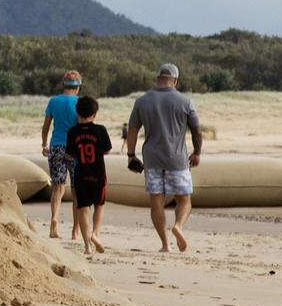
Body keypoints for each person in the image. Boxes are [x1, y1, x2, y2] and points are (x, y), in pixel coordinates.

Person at [125, 63, 203, 252]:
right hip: (177, 160)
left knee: (156, 202)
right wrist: (197, 152)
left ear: (158, 78)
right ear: (175, 80)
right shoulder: (185, 101)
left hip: (151, 159)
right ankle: (178, 226)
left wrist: (131, 155)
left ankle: (165, 244)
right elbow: (197, 131)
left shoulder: (142, 101)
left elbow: (133, 130)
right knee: (184, 199)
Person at [66, 95, 112, 255]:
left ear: (77, 113)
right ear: (95, 114)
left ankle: (87, 246)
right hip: (98, 174)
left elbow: (70, 154)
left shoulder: (72, 132)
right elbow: (107, 149)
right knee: (99, 205)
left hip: (81, 175)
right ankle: (95, 234)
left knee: (83, 209)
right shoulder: (100, 130)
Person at [41, 70, 83, 239]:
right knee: (76, 189)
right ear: (78, 87)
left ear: (63, 85)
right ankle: (75, 230)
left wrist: (44, 145)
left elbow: (45, 127)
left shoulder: (53, 102)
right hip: (74, 149)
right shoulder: (80, 103)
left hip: (56, 146)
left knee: (58, 187)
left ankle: (54, 220)